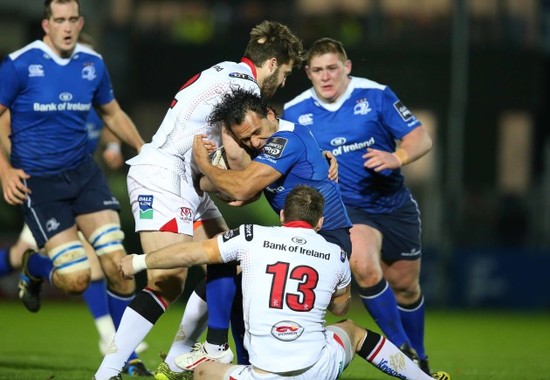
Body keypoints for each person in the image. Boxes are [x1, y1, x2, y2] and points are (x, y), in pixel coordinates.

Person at [93, 20, 304, 380]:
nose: (283, 82)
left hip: (188, 178)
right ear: (272, 64)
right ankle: (107, 371)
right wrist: (295, 153)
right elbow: (240, 157)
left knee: (229, 261)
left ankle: (176, 357)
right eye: (284, 73)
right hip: (163, 172)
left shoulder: (228, 74)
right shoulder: (242, 86)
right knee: (168, 278)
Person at [118, 185, 451, 380]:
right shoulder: (335, 254)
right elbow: (340, 308)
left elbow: (193, 254)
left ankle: (212, 348)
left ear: (281, 216)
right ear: (320, 222)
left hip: (262, 373)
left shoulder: (251, 236)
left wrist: (139, 261)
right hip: (317, 369)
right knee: (353, 330)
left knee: (203, 373)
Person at [0, 0, 149, 375]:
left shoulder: (92, 64)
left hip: (84, 176)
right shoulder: (19, 64)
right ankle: (33, 268)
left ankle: (126, 359)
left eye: (72, 20)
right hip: (40, 184)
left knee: (119, 266)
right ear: (45, 25)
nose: (66, 27)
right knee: (75, 279)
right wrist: (4, 169)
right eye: (59, 20)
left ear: (80, 23)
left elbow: (111, 112)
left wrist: (142, 148)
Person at [282, 37, 434, 374]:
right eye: (318, 70)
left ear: (346, 67)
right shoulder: (294, 112)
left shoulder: (375, 94)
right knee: (363, 265)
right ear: (308, 73)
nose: (326, 76)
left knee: (406, 286)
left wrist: (398, 157)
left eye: (332, 68)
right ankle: (401, 348)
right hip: (348, 208)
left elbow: (420, 137)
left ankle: (419, 355)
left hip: (393, 204)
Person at [173, 87, 353, 371]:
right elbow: (240, 196)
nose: (256, 142)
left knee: (228, 258)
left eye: (257, 131)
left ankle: (217, 348)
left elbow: (241, 188)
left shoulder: (285, 141)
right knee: (231, 270)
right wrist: (213, 176)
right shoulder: (270, 146)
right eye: (247, 139)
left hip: (326, 237)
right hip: (299, 236)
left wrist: (204, 164)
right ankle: (242, 363)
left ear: (270, 113)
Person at [0, 107, 148, 356]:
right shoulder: (40, 95)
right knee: (22, 257)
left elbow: (110, 123)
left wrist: (112, 148)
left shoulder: (90, 97)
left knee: (100, 262)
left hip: (81, 188)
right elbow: (5, 123)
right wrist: (13, 167)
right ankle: (34, 267)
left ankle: (111, 339)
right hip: (45, 189)